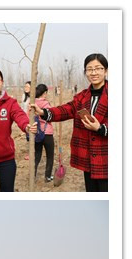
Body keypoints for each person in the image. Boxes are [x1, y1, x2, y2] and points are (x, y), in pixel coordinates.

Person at [31, 54, 108, 192]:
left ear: (106, 71)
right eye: (89, 69)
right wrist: (43, 112)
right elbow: (65, 110)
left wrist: (101, 129)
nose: (94, 72)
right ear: (85, 72)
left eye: (98, 68)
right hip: (89, 158)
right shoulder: (82, 97)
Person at [0, 68, 37, 192]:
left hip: (7, 160)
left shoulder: (10, 103)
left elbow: (20, 116)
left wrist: (27, 126)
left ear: (2, 82)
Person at [33, 84, 55, 182]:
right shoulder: (46, 104)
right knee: (50, 155)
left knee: (37, 155)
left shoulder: (32, 103)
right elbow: (51, 117)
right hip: (47, 133)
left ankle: (32, 175)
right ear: (44, 93)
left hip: (37, 133)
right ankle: (47, 176)